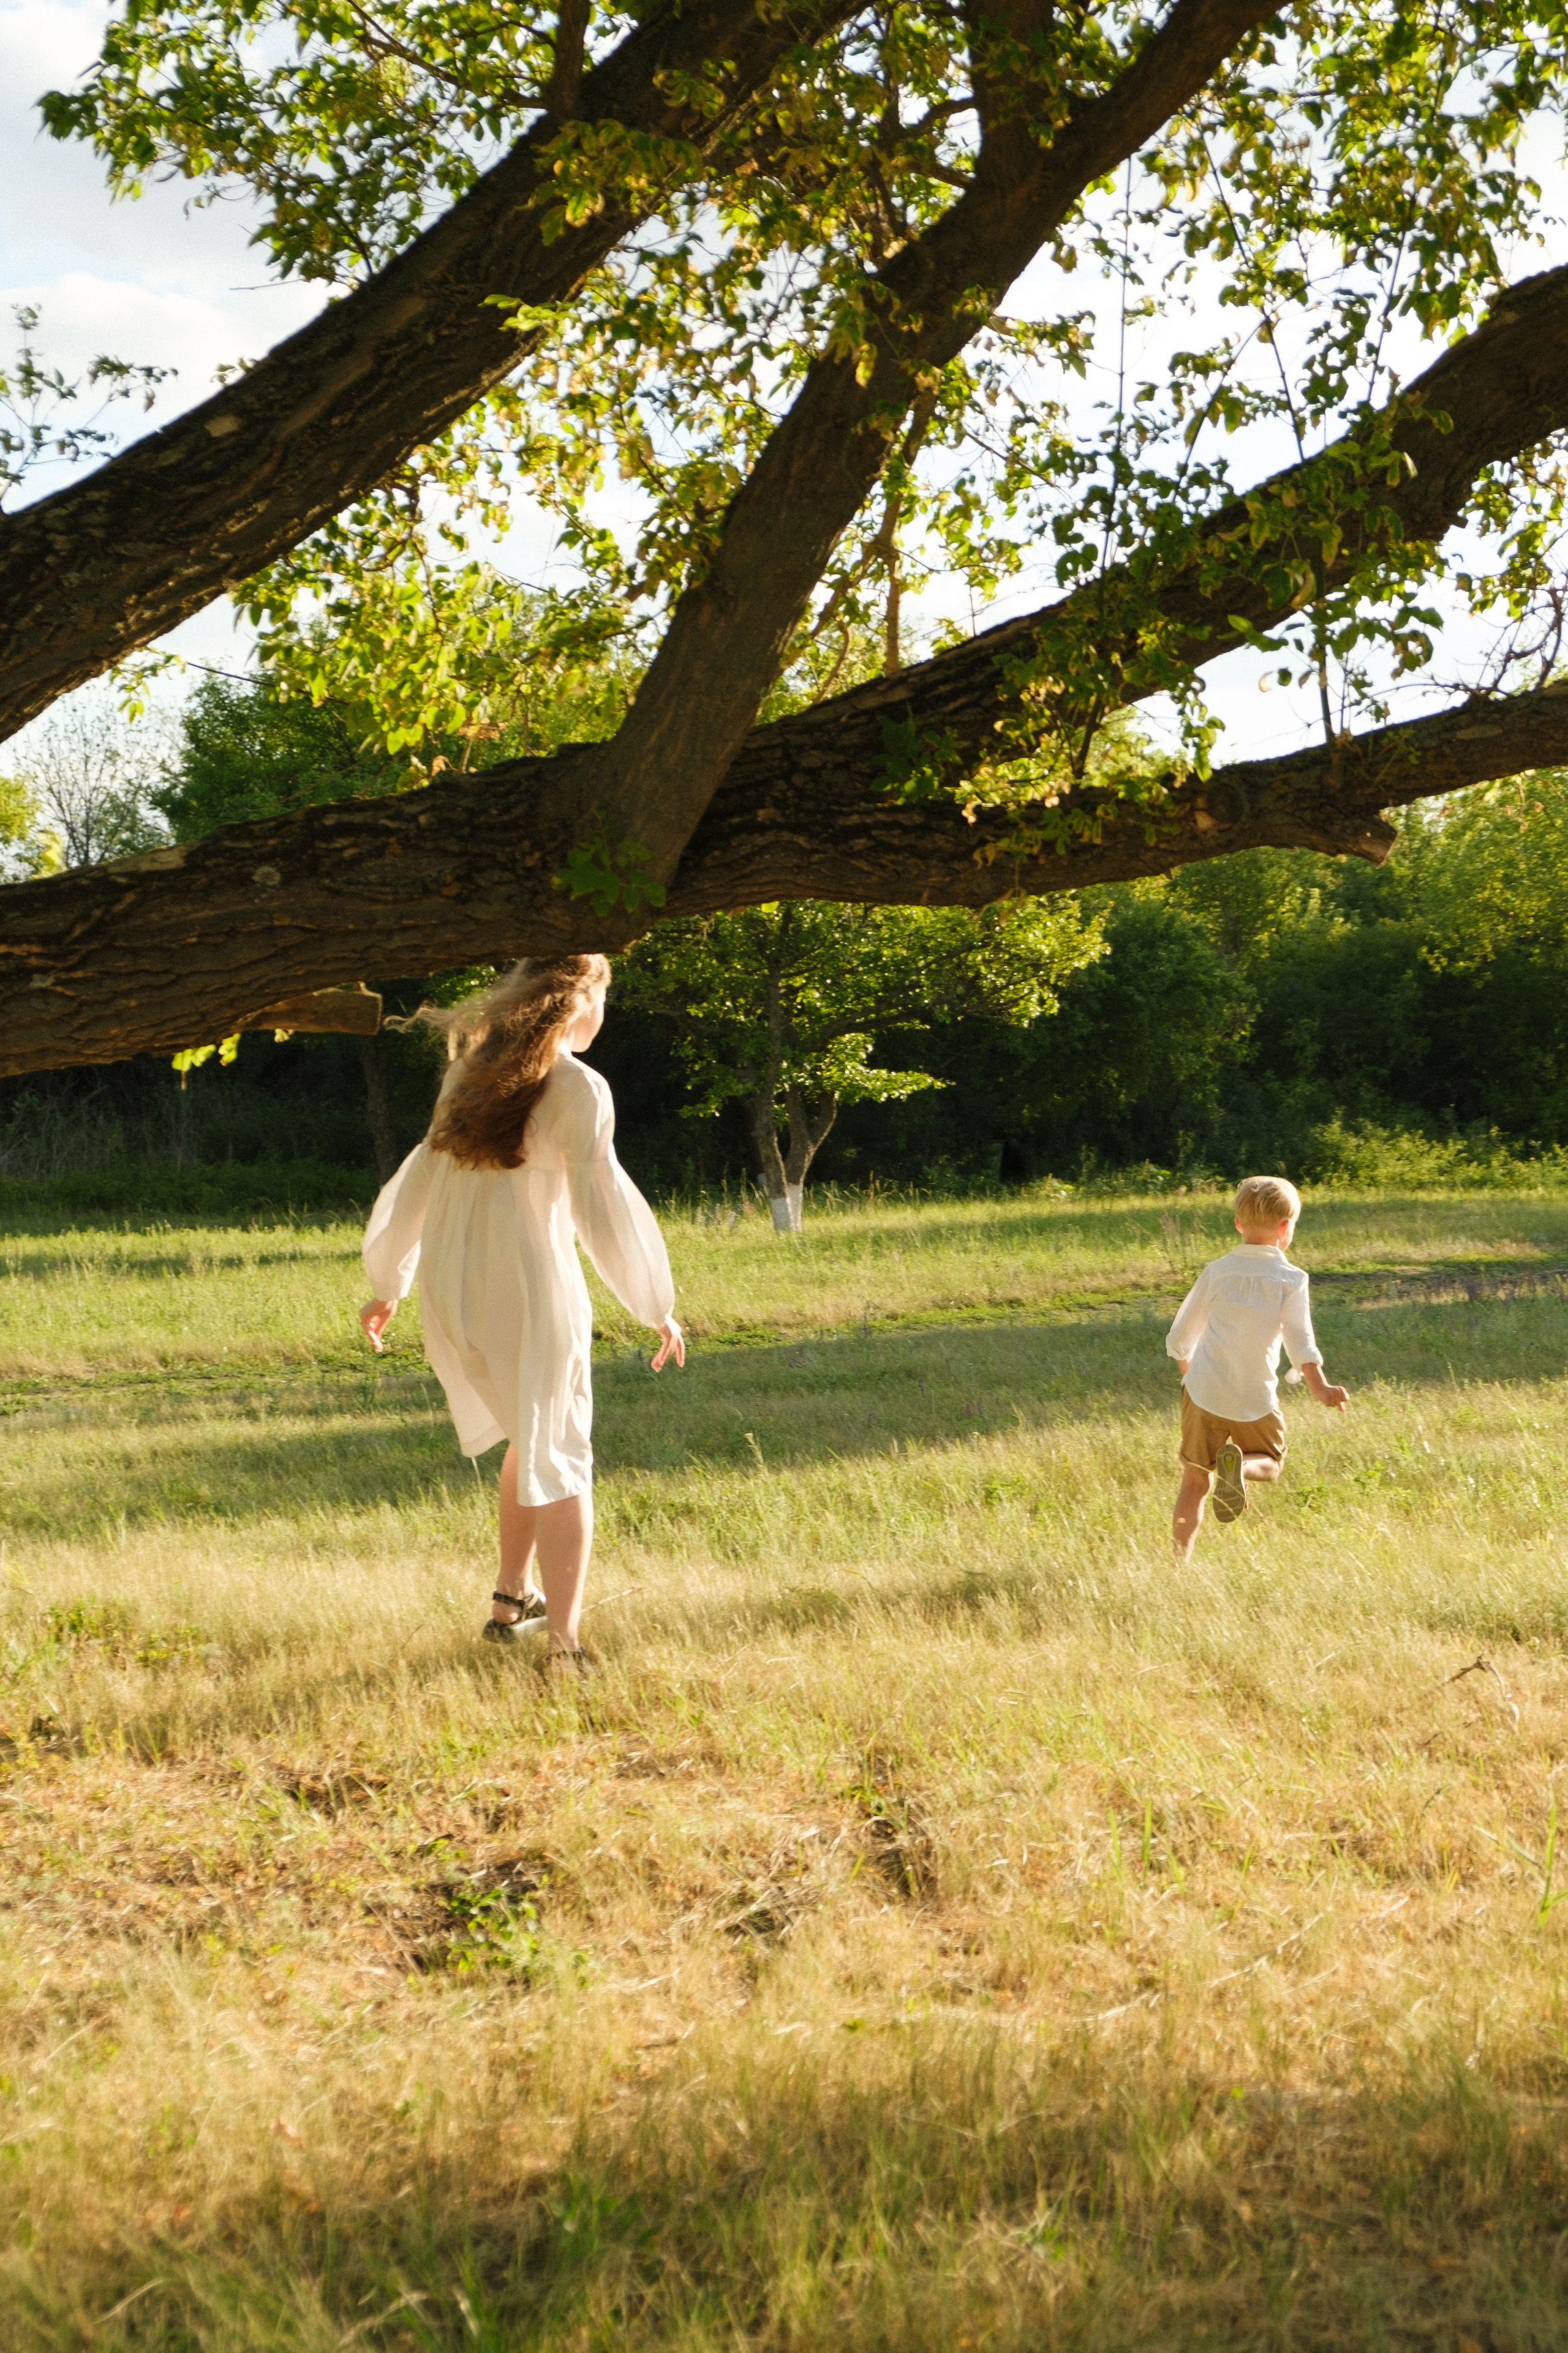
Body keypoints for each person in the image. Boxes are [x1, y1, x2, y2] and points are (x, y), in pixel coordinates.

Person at [358, 954, 684, 1674]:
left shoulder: (468, 1072)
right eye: (603, 997)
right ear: (577, 1001)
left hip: (455, 1290)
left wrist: (390, 1280)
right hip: (528, 1291)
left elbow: (418, 1178)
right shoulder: (578, 1086)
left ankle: (512, 1600)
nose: (604, 1013)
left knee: (528, 1434)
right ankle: (565, 1646)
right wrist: (654, 1305)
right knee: (562, 1454)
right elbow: (602, 1208)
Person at [1166, 1174, 1348, 1562]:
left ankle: (1179, 1563)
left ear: (1238, 1224)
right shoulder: (1292, 1279)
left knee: (1195, 1480)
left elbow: (1180, 1337)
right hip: (1255, 1398)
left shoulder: (1217, 1272)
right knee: (1272, 1463)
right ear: (1285, 1228)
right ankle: (1243, 1469)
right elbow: (1300, 1341)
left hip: (1204, 1393)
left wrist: (1190, 1378)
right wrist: (1321, 1389)